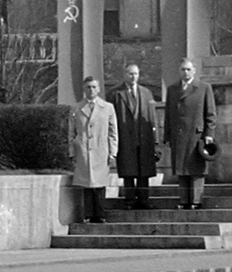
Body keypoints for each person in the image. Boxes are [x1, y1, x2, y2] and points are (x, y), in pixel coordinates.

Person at [163, 58, 216, 209]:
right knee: (181, 168)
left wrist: (209, 133)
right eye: (182, 69)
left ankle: (196, 200)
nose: (185, 72)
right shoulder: (173, 89)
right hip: (178, 135)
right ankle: (184, 200)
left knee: (196, 169)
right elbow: (168, 113)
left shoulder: (204, 87)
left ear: (194, 71)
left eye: (188, 69)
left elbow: (211, 113)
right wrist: (167, 135)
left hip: (196, 135)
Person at [68, 76, 118, 224]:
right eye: (88, 87)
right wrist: (72, 152)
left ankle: (100, 214)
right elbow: (71, 132)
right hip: (83, 150)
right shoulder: (76, 108)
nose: (91, 90)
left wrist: (113, 152)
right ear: (84, 89)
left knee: (100, 185)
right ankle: (88, 215)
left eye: (94, 87)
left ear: (99, 89)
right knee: (87, 185)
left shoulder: (107, 107)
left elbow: (113, 132)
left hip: (100, 149)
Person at [109, 64, 158, 211]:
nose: (133, 76)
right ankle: (129, 200)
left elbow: (152, 118)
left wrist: (155, 140)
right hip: (125, 138)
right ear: (124, 74)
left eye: (136, 74)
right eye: (130, 74)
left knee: (144, 172)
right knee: (128, 172)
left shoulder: (147, 93)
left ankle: (144, 200)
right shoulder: (115, 94)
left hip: (144, 139)